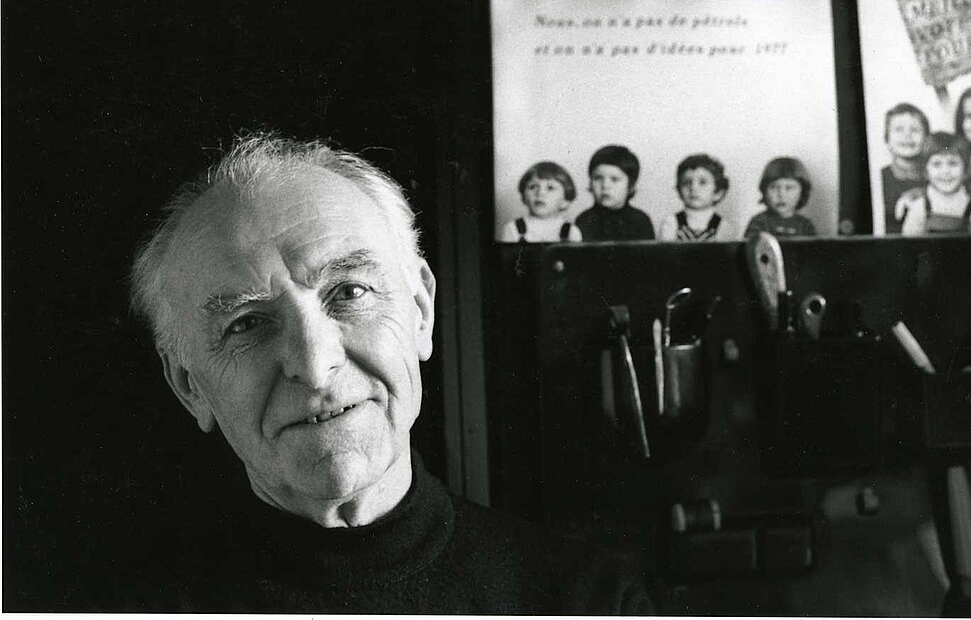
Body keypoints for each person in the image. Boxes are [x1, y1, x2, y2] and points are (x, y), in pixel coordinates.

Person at [128, 132, 655, 612]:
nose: (315, 367)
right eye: (247, 324)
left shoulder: (589, 602)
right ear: (189, 385)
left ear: (421, 310)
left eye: (350, 293)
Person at [899, 132, 971, 236]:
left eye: (953, 163)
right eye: (937, 164)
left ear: (965, 169)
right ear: (926, 171)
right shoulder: (920, 208)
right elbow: (909, 247)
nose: (945, 171)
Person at [575, 144, 656, 242]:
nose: (605, 185)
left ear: (630, 186)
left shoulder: (640, 221)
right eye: (598, 178)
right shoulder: (585, 220)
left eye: (614, 179)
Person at [657, 153, 737, 242]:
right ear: (678, 190)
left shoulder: (724, 227)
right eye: (686, 182)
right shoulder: (671, 223)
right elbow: (665, 254)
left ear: (718, 192)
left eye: (702, 182)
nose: (693, 188)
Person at [500, 161, 583, 243]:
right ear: (524, 197)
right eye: (533, 187)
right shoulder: (513, 229)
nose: (540, 193)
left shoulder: (571, 232)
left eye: (550, 188)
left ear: (565, 201)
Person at [880, 103, 930, 234]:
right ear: (887, 139)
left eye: (915, 130)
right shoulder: (879, 179)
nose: (907, 135)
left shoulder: (938, 177)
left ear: (926, 139)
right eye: (898, 129)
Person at [743, 156, 817, 238]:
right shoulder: (759, 222)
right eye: (773, 187)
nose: (781, 194)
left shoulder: (806, 225)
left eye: (789, 188)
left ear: (802, 192)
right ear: (764, 191)